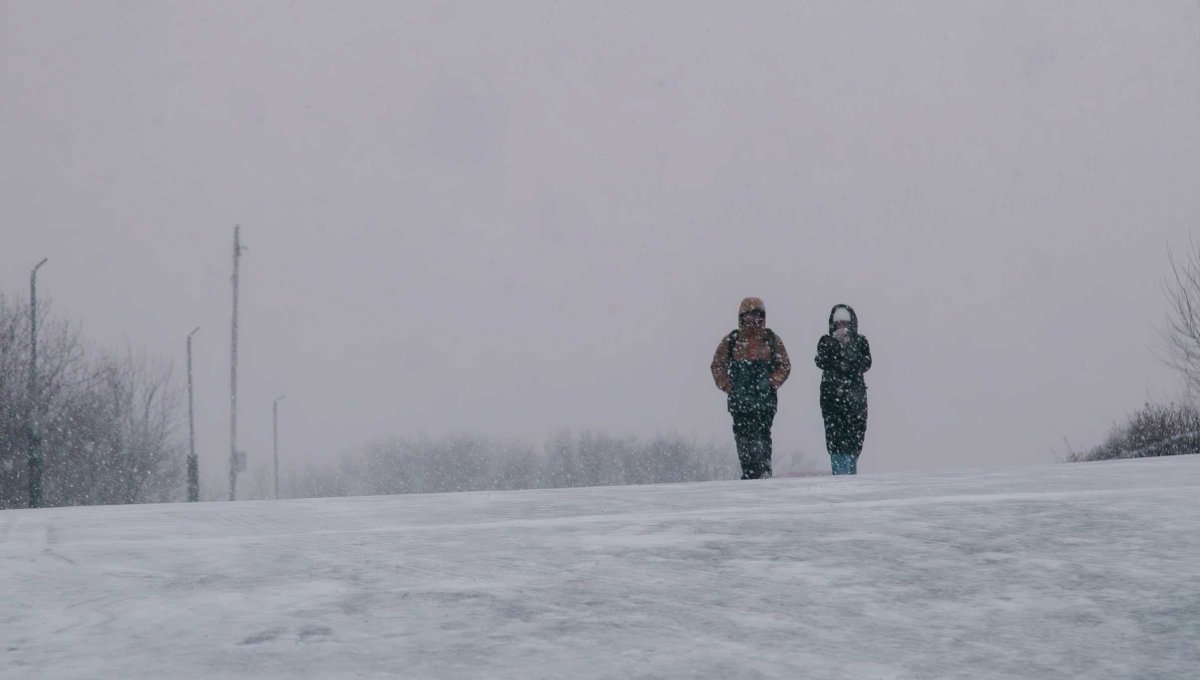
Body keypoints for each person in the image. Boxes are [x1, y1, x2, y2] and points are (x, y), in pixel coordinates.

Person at [711, 297, 791, 479]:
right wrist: (728, 386)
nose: (753, 319)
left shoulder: (771, 339)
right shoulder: (732, 340)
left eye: (757, 314)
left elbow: (785, 365)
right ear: (742, 316)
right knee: (743, 438)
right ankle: (749, 474)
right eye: (749, 315)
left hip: (765, 401)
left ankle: (763, 472)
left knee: (762, 436)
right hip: (739, 401)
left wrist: (772, 382)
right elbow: (717, 365)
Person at [815, 304, 872, 475]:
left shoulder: (860, 341)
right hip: (831, 398)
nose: (842, 327)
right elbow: (820, 361)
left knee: (855, 437)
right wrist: (837, 347)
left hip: (855, 398)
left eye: (845, 324)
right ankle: (839, 473)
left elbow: (866, 363)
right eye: (838, 324)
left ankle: (851, 471)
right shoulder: (825, 341)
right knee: (835, 438)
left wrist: (848, 351)